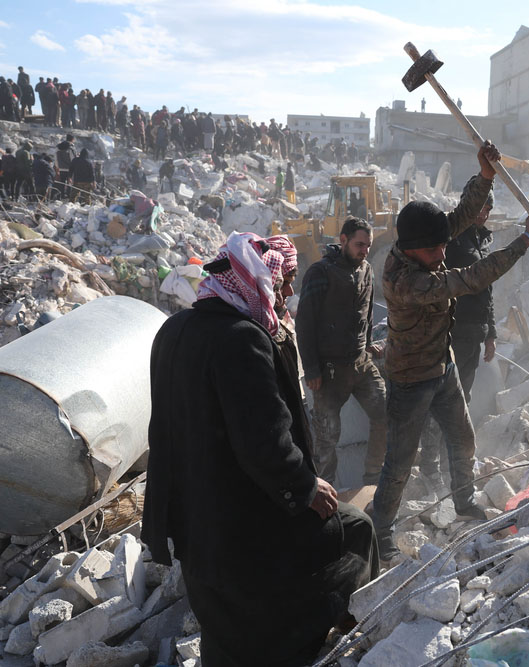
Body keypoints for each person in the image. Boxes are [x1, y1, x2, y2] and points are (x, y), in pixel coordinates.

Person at [143, 232, 377, 666]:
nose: (287, 292)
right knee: (355, 528)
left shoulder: (174, 328)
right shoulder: (241, 338)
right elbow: (263, 439)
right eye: (284, 280)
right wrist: (305, 486)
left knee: (223, 629)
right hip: (238, 517)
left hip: (188, 515)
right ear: (254, 279)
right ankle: (326, 634)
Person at [369, 141, 529, 561]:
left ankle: (464, 500)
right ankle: (381, 532)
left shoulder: (423, 243)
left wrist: (485, 176)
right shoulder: (407, 281)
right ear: (411, 248)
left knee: (463, 439)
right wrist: (525, 239)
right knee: (399, 463)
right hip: (410, 378)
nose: (440, 255)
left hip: (442, 365)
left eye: (441, 247)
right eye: (434, 251)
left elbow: (461, 217)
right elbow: (471, 278)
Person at [417, 188, 501, 486]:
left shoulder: (482, 239)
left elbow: (486, 290)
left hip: (473, 332)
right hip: (451, 331)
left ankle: (450, 461)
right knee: (441, 398)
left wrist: (490, 333)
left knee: (461, 399)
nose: (484, 214)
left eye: (488, 210)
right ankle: (430, 466)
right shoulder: (449, 239)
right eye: (480, 208)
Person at [296, 217, 387, 485]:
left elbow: (367, 310)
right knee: (326, 440)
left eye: (368, 246)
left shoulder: (366, 269)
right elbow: (305, 323)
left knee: (384, 413)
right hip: (329, 372)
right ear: (343, 240)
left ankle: (372, 478)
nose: (365, 251)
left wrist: (368, 341)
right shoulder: (320, 273)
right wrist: (311, 368)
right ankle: (326, 495)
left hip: (360, 363)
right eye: (360, 244)